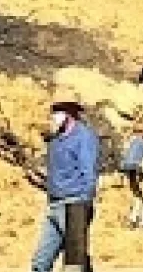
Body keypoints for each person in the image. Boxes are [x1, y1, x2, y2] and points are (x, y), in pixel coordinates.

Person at [31, 97, 100, 272]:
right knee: (41, 261)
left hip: (75, 203)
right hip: (54, 204)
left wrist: (84, 203)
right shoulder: (56, 138)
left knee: (74, 263)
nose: (53, 116)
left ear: (69, 114)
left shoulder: (83, 137)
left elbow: (88, 171)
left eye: (58, 111)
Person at [117, 111, 143, 229]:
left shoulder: (131, 141)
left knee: (137, 195)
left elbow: (124, 154)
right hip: (142, 170)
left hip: (129, 169)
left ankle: (133, 219)